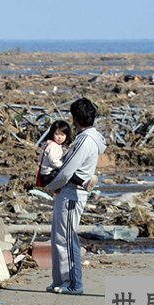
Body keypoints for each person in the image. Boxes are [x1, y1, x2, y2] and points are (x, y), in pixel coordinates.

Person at [46, 98, 106, 295]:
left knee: (67, 239)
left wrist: (51, 185)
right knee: (58, 237)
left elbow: (66, 171)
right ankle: (60, 280)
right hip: (69, 192)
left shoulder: (84, 140)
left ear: (75, 118)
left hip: (72, 193)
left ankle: (73, 283)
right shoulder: (89, 138)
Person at [39, 120, 98, 191]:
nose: (59, 137)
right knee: (68, 172)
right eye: (57, 134)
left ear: (66, 136)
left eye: (62, 135)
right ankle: (84, 183)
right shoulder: (52, 146)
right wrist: (66, 165)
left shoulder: (56, 145)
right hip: (48, 175)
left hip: (50, 174)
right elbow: (54, 162)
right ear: (52, 134)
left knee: (68, 170)